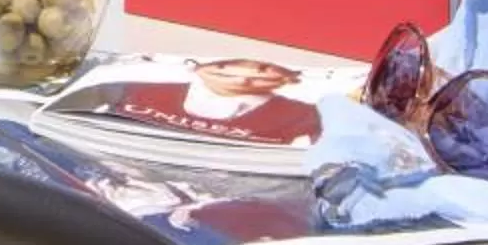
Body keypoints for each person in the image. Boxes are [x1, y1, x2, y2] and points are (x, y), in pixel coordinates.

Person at [92, 57, 322, 147]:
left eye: (263, 69)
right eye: (223, 66)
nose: (241, 75)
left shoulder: (302, 113)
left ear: (287, 78)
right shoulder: (145, 90)